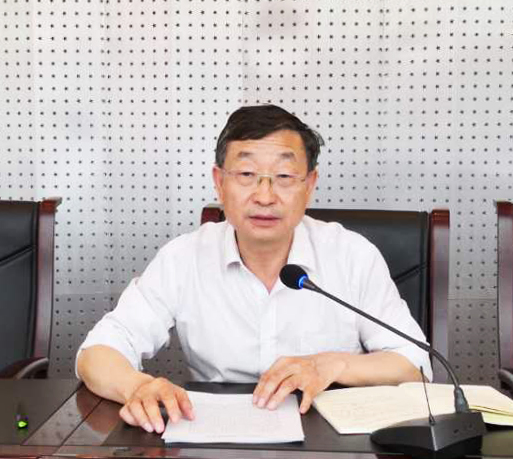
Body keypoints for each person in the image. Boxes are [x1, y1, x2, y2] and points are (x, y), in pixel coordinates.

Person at [76, 104, 432, 434]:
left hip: (329, 441)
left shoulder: (352, 255)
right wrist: (136, 387)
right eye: (246, 174)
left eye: (284, 175)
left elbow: (416, 363)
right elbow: (97, 352)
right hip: (217, 439)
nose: (264, 196)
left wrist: (332, 365)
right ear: (220, 182)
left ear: (309, 185)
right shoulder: (184, 257)